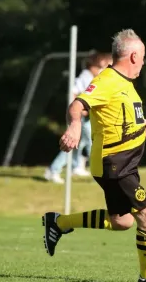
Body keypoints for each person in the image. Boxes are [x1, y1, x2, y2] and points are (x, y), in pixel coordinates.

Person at [41, 29, 146, 282]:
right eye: (143, 56)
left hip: (124, 163)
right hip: (116, 164)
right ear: (135, 56)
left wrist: (142, 125)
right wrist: (73, 127)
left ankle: (59, 222)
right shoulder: (108, 80)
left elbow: (119, 116)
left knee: (122, 221)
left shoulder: (125, 85)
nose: (144, 61)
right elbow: (77, 105)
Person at [44, 52, 112, 184]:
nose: (101, 69)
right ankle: (54, 170)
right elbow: (74, 92)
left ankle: (76, 166)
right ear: (92, 65)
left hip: (87, 117)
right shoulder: (86, 76)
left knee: (81, 143)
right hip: (81, 117)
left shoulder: (93, 76)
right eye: (100, 65)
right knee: (88, 143)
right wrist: (80, 109)